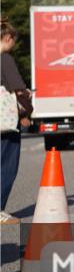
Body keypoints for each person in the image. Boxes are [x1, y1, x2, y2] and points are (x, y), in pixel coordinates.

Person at [1, 17, 30, 224]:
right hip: (5, 124)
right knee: (6, 165)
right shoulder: (5, 59)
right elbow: (18, 89)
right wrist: (27, 110)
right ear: (8, 37)